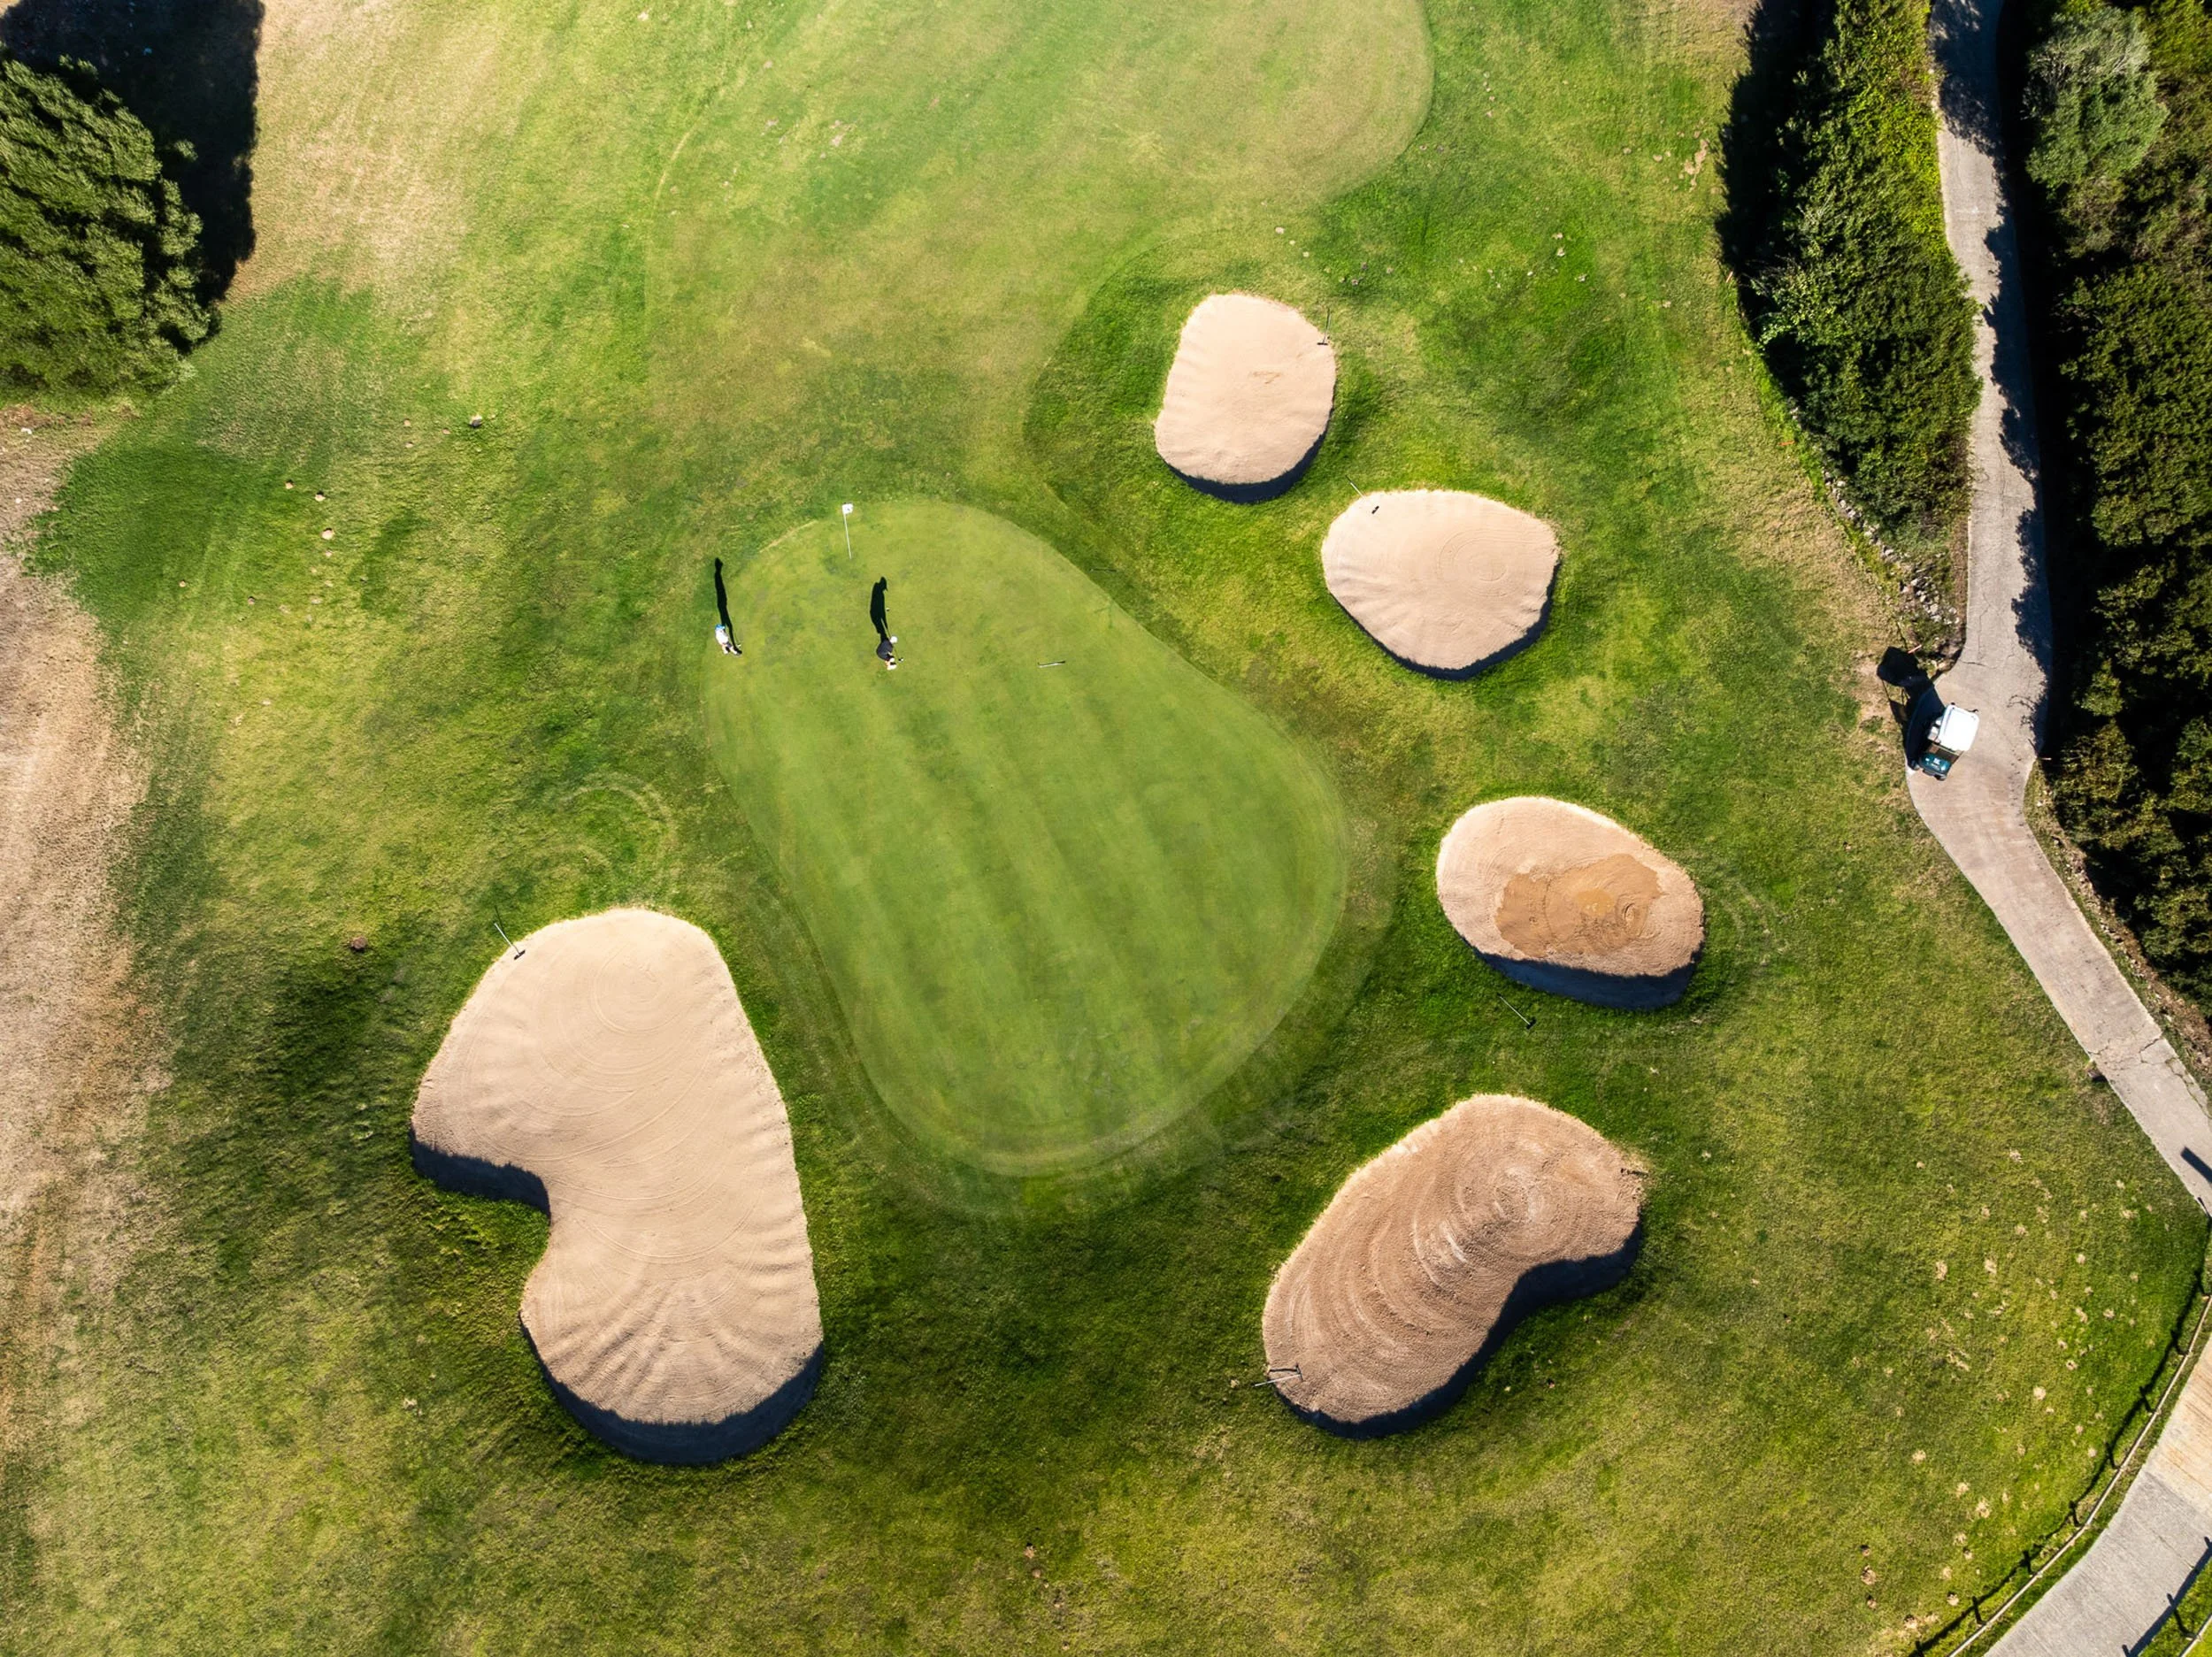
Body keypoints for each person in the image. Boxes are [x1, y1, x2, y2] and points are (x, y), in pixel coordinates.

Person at [713, 557, 741, 655]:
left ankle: (734, 652)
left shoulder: (722, 638)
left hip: (721, 636)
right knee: (726, 643)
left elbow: (719, 628)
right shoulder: (722, 640)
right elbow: (726, 644)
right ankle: (735, 652)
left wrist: (732, 647)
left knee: (726, 642)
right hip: (721, 637)